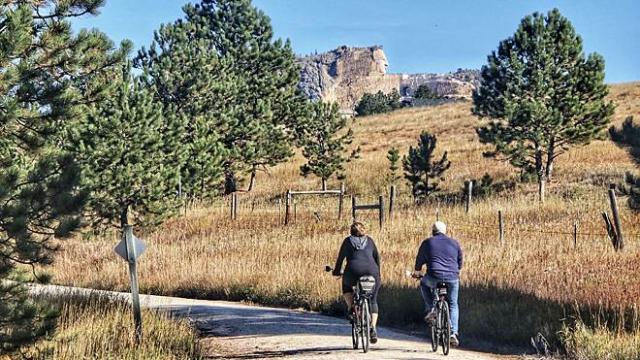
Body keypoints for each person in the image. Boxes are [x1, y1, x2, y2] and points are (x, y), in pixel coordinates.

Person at [413, 221, 463, 347]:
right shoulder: (454, 242)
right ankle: (453, 333)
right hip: (452, 277)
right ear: (445, 231)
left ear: (433, 231)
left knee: (424, 284)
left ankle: (431, 309)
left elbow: (420, 259)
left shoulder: (428, 242)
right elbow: (460, 261)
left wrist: (418, 272)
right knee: (453, 304)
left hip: (434, 276)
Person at [332, 222, 381, 343]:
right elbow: (377, 258)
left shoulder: (347, 241)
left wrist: (336, 272)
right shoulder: (370, 240)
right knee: (373, 301)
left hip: (352, 272)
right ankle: (373, 328)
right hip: (372, 272)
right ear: (364, 230)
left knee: (346, 286)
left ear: (351, 231)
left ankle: (351, 308)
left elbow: (340, 259)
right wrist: (377, 274)